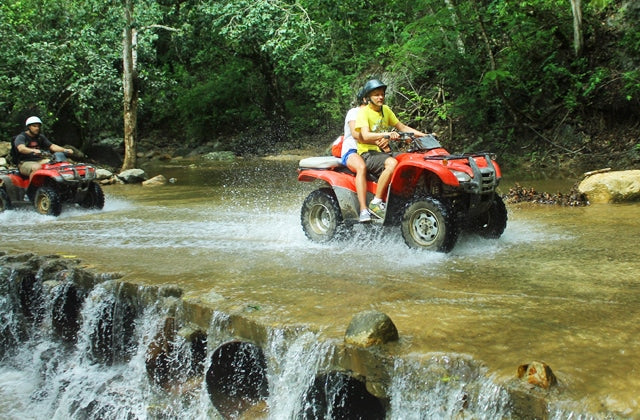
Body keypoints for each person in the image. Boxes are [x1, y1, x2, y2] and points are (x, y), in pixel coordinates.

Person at [355, 79, 427, 219]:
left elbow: (403, 128)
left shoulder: (386, 110)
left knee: (411, 159)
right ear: (368, 97)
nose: (380, 97)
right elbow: (365, 135)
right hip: (367, 154)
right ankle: (376, 202)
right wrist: (387, 135)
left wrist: (426, 135)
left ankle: (409, 197)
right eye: (376, 94)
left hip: (383, 152)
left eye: (382, 94)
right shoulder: (364, 112)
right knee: (392, 163)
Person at [341, 88, 371, 222]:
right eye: (375, 95)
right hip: (352, 150)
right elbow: (355, 134)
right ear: (364, 99)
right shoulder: (354, 112)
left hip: (369, 150)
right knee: (361, 167)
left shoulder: (376, 114)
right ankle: (364, 210)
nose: (380, 98)